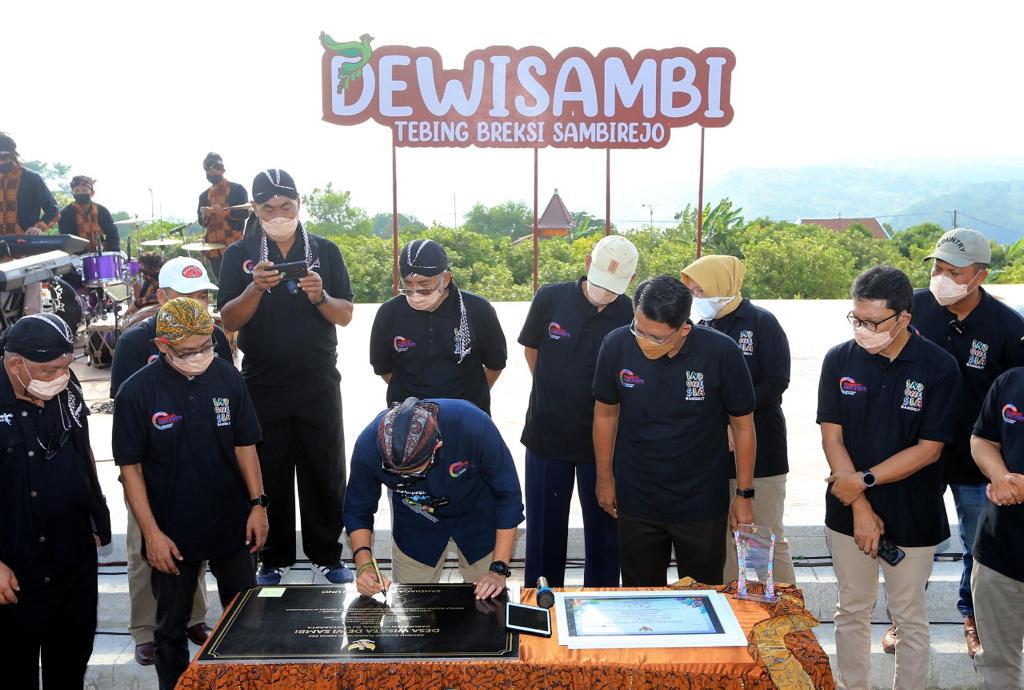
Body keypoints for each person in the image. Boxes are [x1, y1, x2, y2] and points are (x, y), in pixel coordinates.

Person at [881, 227, 1024, 658]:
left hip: (975, 457)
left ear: (980, 276)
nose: (941, 278)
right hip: (916, 449)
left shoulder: (1007, 327)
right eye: (937, 269)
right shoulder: (912, 310)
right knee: (910, 537)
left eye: (954, 272)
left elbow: (1012, 401)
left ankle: (973, 617)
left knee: (978, 542)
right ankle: (902, 618)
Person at [113, 298, 267, 690]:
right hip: (172, 531)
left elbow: (245, 444)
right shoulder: (137, 392)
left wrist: (258, 505)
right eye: (188, 351)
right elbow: (131, 470)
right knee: (170, 629)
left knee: (248, 618)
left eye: (206, 346)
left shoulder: (227, 377)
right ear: (162, 345)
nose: (200, 356)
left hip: (231, 521)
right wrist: (152, 534)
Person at [817, 265, 959, 690]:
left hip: (913, 511)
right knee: (851, 609)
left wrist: (864, 481)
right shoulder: (839, 359)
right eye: (856, 319)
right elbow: (832, 436)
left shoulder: (939, 366)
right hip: (847, 510)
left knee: (909, 616)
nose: (863, 330)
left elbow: (929, 449)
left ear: (904, 318)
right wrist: (859, 505)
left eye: (874, 322)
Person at [218, 169, 355, 586]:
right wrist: (255, 288)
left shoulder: (325, 250)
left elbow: (345, 315)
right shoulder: (238, 254)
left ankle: (326, 554)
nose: (278, 215)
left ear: (299, 203)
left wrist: (320, 296)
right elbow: (228, 319)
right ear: (255, 209)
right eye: (268, 208)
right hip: (262, 382)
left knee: (324, 469)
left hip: (318, 380)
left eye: (286, 206)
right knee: (269, 469)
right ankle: (272, 557)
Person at [592, 275, 756, 587]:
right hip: (637, 497)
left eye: (655, 337)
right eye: (638, 329)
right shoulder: (616, 345)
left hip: (700, 502)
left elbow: (743, 426)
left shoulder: (721, 352)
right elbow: (605, 414)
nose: (643, 341)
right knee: (641, 597)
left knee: (702, 596)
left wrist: (744, 494)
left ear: (683, 329)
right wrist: (604, 478)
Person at [109, 256, 230, 666]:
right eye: (186, 296)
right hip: (150, 468)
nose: (197, 304)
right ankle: (146, 629)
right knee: (147, 547)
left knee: (195, 544)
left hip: (202, 463)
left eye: (203, 296)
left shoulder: (216, 336)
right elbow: (125, 412)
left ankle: (192, 617)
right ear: (161, 297)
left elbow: (227, 398)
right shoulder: (135, 342)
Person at [519, 234, 637, 588]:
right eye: (600, 282)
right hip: (546, 436)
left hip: (604, 446)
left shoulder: (631, 313)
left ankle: (600, 604)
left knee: (605, 536)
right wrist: (554, 391)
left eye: (613, 287)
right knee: (543, 534)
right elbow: (531, 350)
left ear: (630, 280)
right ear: (588, 264)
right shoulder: (550, 298)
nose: (604, 292)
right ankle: (542, 607)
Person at [0, 313, 111, 688]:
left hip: (72, 563)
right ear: (16, 365)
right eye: (51, 370)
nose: (62, 376)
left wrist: (96, 514)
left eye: (67, 366)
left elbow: (82, 449)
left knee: (70, 669)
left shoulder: (66, 385)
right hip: (13, 576)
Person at [680, 255, 796, 585]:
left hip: (763, 451)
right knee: (724, 543)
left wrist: (735, 416)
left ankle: (785, 611)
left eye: (700, 290)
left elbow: (776, 381)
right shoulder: (701, 328)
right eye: (692, 292)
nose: (696, 298)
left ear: (721, 284)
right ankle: (732, 610)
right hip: (715, 454)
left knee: (763, 537)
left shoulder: (761, 323)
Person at [344, 397, 524, 598]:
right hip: (415, 525)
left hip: (477, 519)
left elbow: (509, 497)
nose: (404, 478)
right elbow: (357, 510)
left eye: (414, 473)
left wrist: (498, 570)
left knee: (488, 602)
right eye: (396, 474)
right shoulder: (367, 445)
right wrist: (364, 565)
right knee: (411, 605)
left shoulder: (474, 426)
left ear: (436, 447)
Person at [369, 239, 506, 415]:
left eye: (425, 285)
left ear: (446, 278)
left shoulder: (477, 309)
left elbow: (495, 364)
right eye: (408, 285)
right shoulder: (389, 313)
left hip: (466, 417)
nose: (416, 293)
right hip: (409, 418)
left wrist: (470, 399)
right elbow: (384, 369)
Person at [969, 369, 1024, 689]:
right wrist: (1000, 475)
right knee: (997, 666)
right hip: (997, 553)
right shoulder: (1011, 381)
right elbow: (982, 439)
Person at [0, 132, 59, 315]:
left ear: (13, 155)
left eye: (4, 157)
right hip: (1, 246)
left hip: (26, 245)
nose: (2, 162)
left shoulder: (31, 179)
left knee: (32, 295)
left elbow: (53, 210)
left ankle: (33, 324)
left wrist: (39, 227)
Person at [197, 153, 248, 279]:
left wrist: (224, 212)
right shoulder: (203, 196)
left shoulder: (237, 189)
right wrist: (205, 215)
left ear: (222, 170)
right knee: (220, 282)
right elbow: (201, 221)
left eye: (214, 169)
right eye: (207, 170)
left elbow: (244, 213)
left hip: (234, 245)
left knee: (239, 281)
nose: (211, 173)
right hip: (213, 248)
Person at [57, 175, 120, 254]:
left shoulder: (102, 211)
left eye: (84, 190)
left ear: (92, 193)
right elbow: (68, 241)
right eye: (76, 191)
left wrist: (113, 253)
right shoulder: (65, 214)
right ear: (73, 194)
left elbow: (113, 235)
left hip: (101, 254)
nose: (80, 193)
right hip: (76, 256)